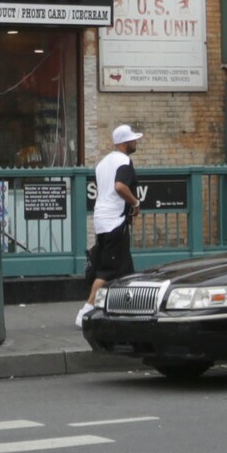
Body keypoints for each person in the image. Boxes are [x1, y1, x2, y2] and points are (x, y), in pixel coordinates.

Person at [77, 125, 143, 328]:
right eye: (133, 139)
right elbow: (120, 186)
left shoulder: (103, 163)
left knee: (125, 267)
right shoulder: (124, 161)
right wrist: (135, 202)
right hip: (115, 221)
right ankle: (86, 311)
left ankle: (128, 308)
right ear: (124, 142)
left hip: (102, 220)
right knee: (108, 270)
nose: (136, 142)